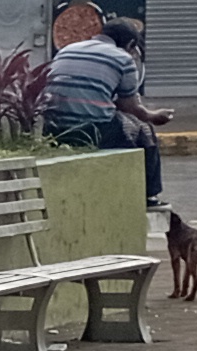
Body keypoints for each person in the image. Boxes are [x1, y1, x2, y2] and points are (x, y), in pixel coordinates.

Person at [41, 14, 168, 207]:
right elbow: (130, 107)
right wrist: (154, 116)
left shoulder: (68, 49)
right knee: (143, 129)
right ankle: (149, 196)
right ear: (130, 44)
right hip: (91, 130)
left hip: (53, 128)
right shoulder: (123, 59)